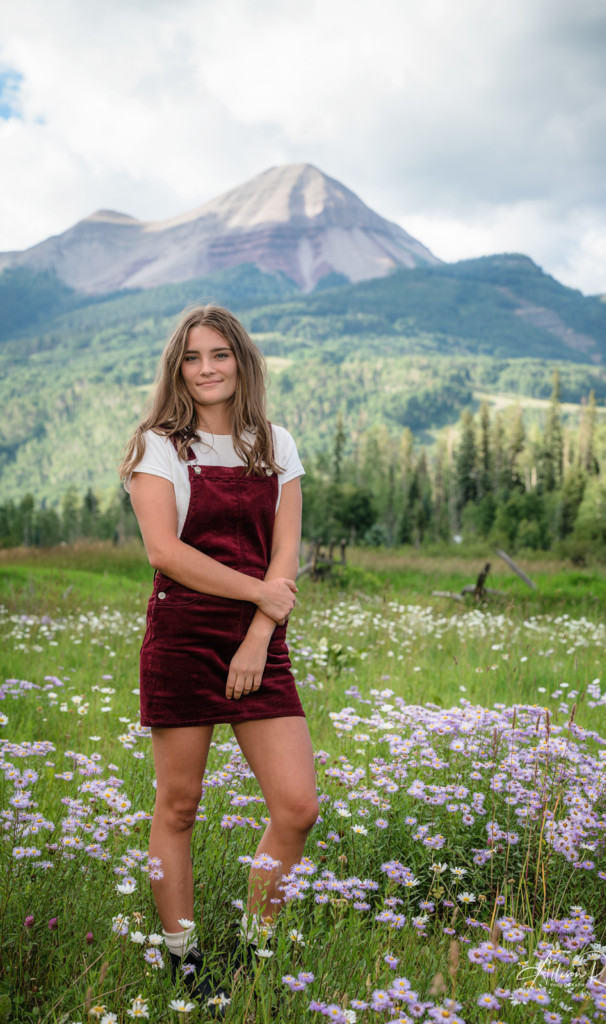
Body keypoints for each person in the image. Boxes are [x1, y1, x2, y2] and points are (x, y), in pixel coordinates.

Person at [120, 305, 318, 1010]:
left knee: (297, 805)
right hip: (182, 637)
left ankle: (255, 944)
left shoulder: (275, 443)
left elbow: (285, 552)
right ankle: (184, 958)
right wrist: (262, 594)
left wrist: (261, 631)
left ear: (242, 362)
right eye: (192, 358)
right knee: (178, 804)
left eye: (219, 356)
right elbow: (164, 553)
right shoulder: (159, 446)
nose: (206, 369)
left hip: (261, 639)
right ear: (177, 368)